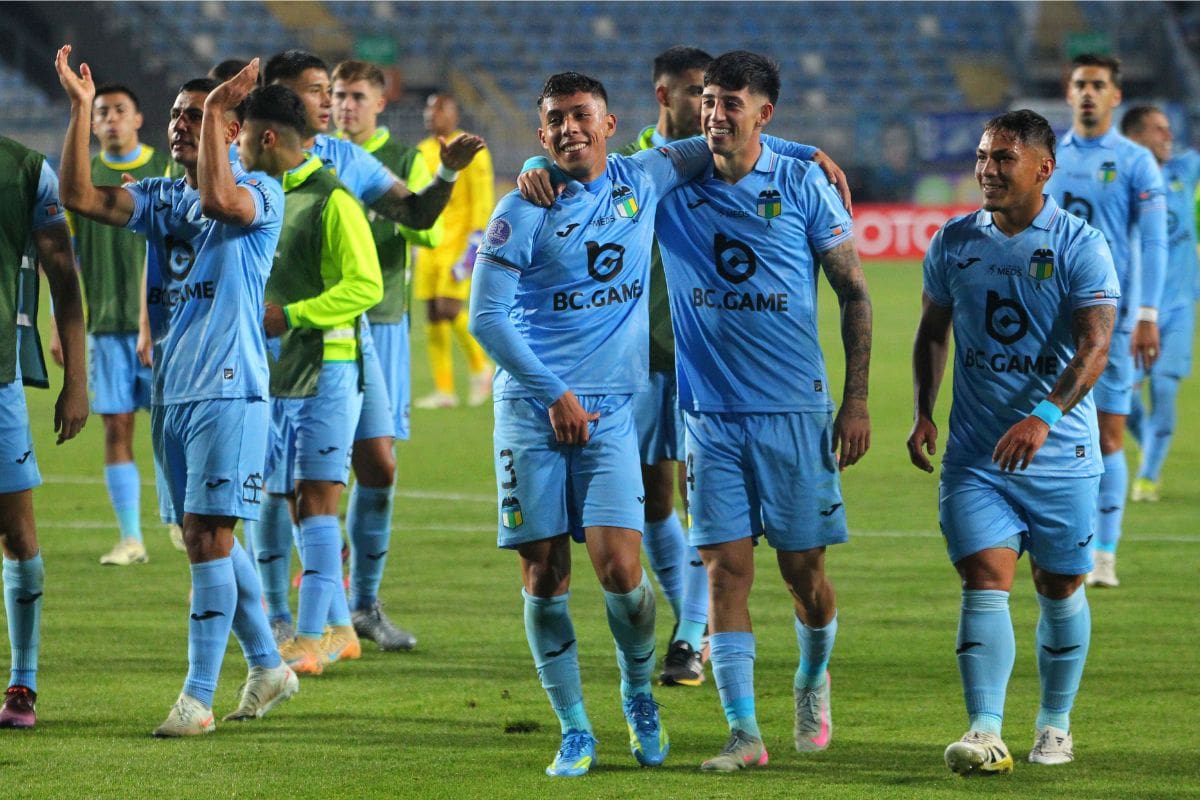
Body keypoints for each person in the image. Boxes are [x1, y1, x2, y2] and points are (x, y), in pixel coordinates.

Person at [57, 50, 296, 736]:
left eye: (197, 115)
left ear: (231, 129)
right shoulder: (163, 198)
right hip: (173, 392)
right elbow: (79, 197)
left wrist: (219, 105)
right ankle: (268, 665)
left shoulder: (260, 191)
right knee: (203, 537)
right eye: (176, 115)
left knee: (208, 535)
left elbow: (220, 201)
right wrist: (80, 109)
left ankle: (197, 699)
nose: (180, 125)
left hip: (230, 390)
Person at [652, 51, 869, 771]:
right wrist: (538, 168)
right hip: (710, 416)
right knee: (725, 573)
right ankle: (744, 734)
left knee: (805, 577)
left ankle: (811, 677)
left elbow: (854, 292)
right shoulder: (673, 184)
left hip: (795, 413)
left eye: (731, 103)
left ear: (764, 113)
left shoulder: (803, 184)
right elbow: (601, 169)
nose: (714, 114)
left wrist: (856, 401)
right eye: (708, 100)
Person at [908, 110, 1118, 775]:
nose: (987, 170)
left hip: (1061, 456)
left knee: (1059, 586)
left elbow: (1094, 347)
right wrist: (923, 413)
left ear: (1042, 169)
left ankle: (1054, 724)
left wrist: (1043, 417)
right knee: (983, 579)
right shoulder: (954, 241)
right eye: (982, 156)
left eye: (1003, 158)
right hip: (976, 456)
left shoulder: (1080, 244)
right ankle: (985, 731)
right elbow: (932, 332)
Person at [250, 49, 482, 652]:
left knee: (378, 463)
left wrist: (446, 175)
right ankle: (282, 614)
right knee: (281, 482)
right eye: (314, 90)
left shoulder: (345, 158)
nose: (328, 101)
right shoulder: (245, 161)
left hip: (348, 333)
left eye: (330, 90)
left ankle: (361, 607)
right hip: (275, 343)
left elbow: (416, 213)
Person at [240, 81, 383, 675]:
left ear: (268, 138)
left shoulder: (332, 199)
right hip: (273, 376)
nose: (238, 147)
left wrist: (293, 315)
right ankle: (340, 629)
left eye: (244, 137)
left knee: (317, 502)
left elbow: (366, 285)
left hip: (327, 369)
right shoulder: (261, 196)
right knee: (285, 502)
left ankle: (307, 638)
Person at [1044, 54, 1167, 589]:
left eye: (1098, 84)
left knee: (1109, 435)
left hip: (1111, 319)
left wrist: (1147, 314)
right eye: (1080, 84)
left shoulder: (1136, 161)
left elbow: (1155, 242)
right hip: (1051, 316)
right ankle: (1059, 543)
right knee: (1049, 431)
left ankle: (1104, 555)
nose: (1089, 92)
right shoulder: (1047, 155)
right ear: (1068, 93)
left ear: (1115, 96)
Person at [332, 58, 440, 651]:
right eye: (337, 95)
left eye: (356, 96)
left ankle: (363, 601)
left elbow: (429, 230)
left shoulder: (402, 159)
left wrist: (383, 200)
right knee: (312, 468)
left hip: (383, 322)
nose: (345, 106)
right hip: (322, 325)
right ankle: (317, 595)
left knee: (377, 460)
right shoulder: (312, 156)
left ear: (379, 103)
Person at [619, 45, 713, 687]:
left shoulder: (723, 163)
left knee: (704, 500)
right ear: (663, 94)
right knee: (654, 500)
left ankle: (689, 636)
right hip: (645, 359)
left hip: (710, 360)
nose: (706, 106)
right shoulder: (631, 167)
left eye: (714, 95)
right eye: (695, 92)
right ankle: (694, 626)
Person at [58, 83, 170, 566]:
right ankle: (131, 538)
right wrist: (59, 324)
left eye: (119, 110)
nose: (110, 119)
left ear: (138, 118)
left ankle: (180, 519)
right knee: (116, 428)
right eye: (101, 112)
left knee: (171, 429)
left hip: (163, 327)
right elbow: (67, 258)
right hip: (105, 326)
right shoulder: (83, 177)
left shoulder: (164, 169)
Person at [0, 135, 89, 729]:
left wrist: (76, 379)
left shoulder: (26, 170)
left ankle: (22, 682)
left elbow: (62, 270)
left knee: (17, 534)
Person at [1119, 106, 1200, 503]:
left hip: (1180, 306)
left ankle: (1148, 475)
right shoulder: (1120, 181)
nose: (1169, 136)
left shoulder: (1184, 169)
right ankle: (1150, 443)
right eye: (1159, 130)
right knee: (1125, 395)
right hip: (1134, 308)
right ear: (1135, 137)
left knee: (1165, 388)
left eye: (1169, 129)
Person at [414, 92, 495, 409]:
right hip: (429, 244)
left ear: (454, 114)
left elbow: (482, 200)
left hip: (459, 243)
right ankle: (444, 390)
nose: (430, 114)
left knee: (449, 309)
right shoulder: (422, 151)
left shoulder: (471, 149)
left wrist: (475, 247)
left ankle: (481, 367)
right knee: (433, 315)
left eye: (439, 109)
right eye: (428, 108)